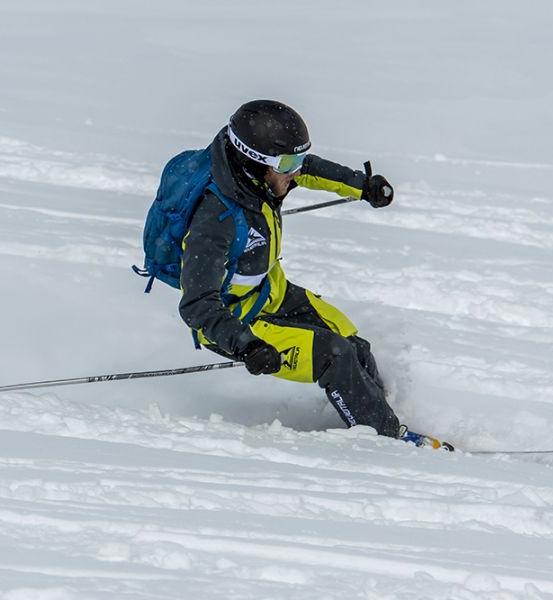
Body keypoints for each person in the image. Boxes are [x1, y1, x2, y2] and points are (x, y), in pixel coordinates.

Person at [176, 99, 450, 450]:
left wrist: (362, 186)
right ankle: (389, 444)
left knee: (353, 343)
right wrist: (246, 345)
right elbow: (197, 305)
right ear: (256, 163)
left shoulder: (264, 177)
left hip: (270, 292)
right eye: (288, 164)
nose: (296, 172)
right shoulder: (215, 221)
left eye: (297, 160)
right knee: (334, 354)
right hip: (237, 321)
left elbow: (312, 169)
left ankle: (380, 422)